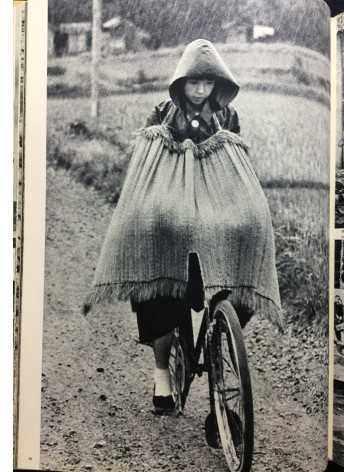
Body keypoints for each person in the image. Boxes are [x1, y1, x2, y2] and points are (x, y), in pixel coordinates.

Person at [85, 39, 281, 415]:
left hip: (215, 209)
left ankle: (223, 334)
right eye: (193, 82)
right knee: (155, 260)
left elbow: (236, 169)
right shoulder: (161, 115)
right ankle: (162, 374)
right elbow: (147, 169)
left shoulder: (228, 118)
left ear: (217, 84)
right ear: (180, 83)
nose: (200, 90)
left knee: (249, 233)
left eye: (207, 82)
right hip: (172, 211)